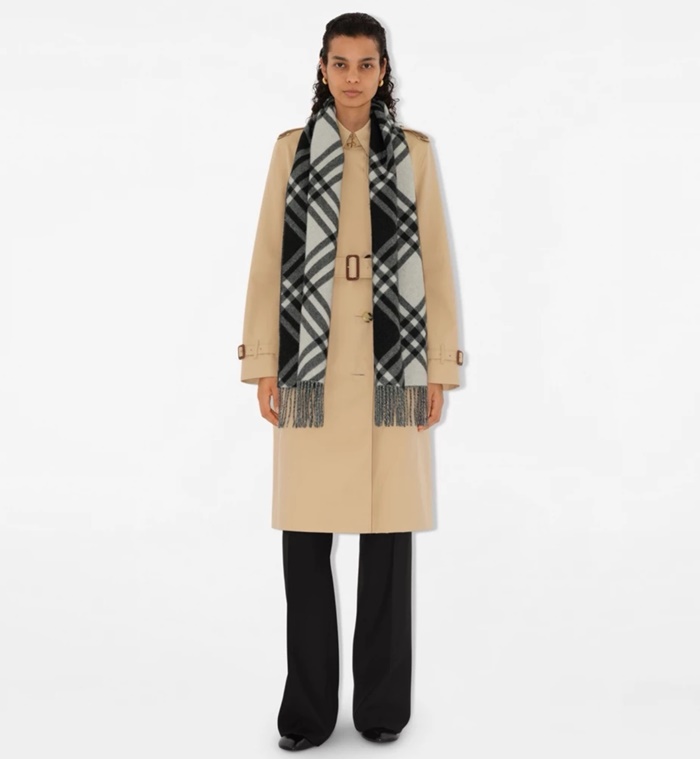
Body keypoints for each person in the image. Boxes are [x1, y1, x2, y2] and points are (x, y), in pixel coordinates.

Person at [238, 12, 465, 752]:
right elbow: (267, 257)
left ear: (384, 70)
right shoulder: (292, 151)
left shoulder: (414, 153)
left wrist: (438, 368)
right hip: (310, 370)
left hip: (391, 371)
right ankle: (307, 712)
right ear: (323, 67)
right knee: (305, 549)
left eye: (367, 64)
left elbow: (436, 263)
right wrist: (263, 362)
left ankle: (382, 708)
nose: (354, 77)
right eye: (341, 63)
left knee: (388, 546)